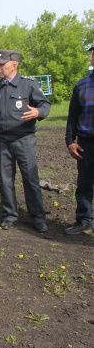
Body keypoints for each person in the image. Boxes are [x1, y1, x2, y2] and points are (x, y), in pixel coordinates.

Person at [0, 49, 50, 232]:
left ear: (14, 65)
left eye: (1, 64)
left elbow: (45, 105)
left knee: (30, 179)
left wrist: (38, 112)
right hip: (2, 142)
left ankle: (37, 217)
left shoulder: (28, 85)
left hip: (24, 140)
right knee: (5, 180)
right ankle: (10, 215)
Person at [64, 45, 94, 235]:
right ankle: (84, 220)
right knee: (84, 183)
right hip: (87, 142)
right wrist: (70, 141)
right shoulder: (81, 86)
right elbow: (72, 117)